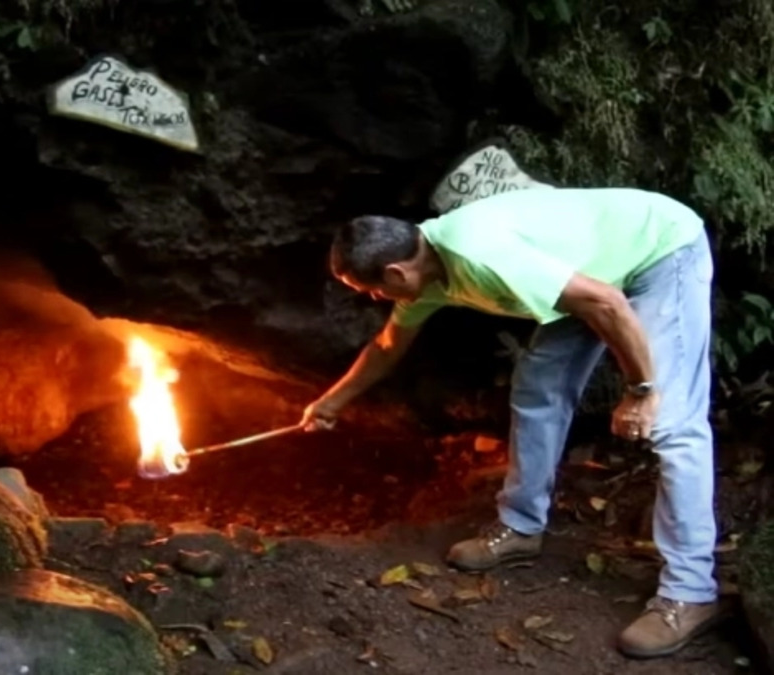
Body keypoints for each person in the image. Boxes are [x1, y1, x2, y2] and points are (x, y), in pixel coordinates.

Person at [303, 186, 723, 659]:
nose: (379, 298)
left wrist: (641, 391)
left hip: (660, 249)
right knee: (538, 386)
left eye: (374, 289)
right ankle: (522, 527)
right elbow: (386, 346)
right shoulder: (429, 273)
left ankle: (690, 594)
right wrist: (332, 402)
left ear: (396, 271)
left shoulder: (480, 253)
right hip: (592, 273)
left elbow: (606, 302)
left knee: (672, 423)